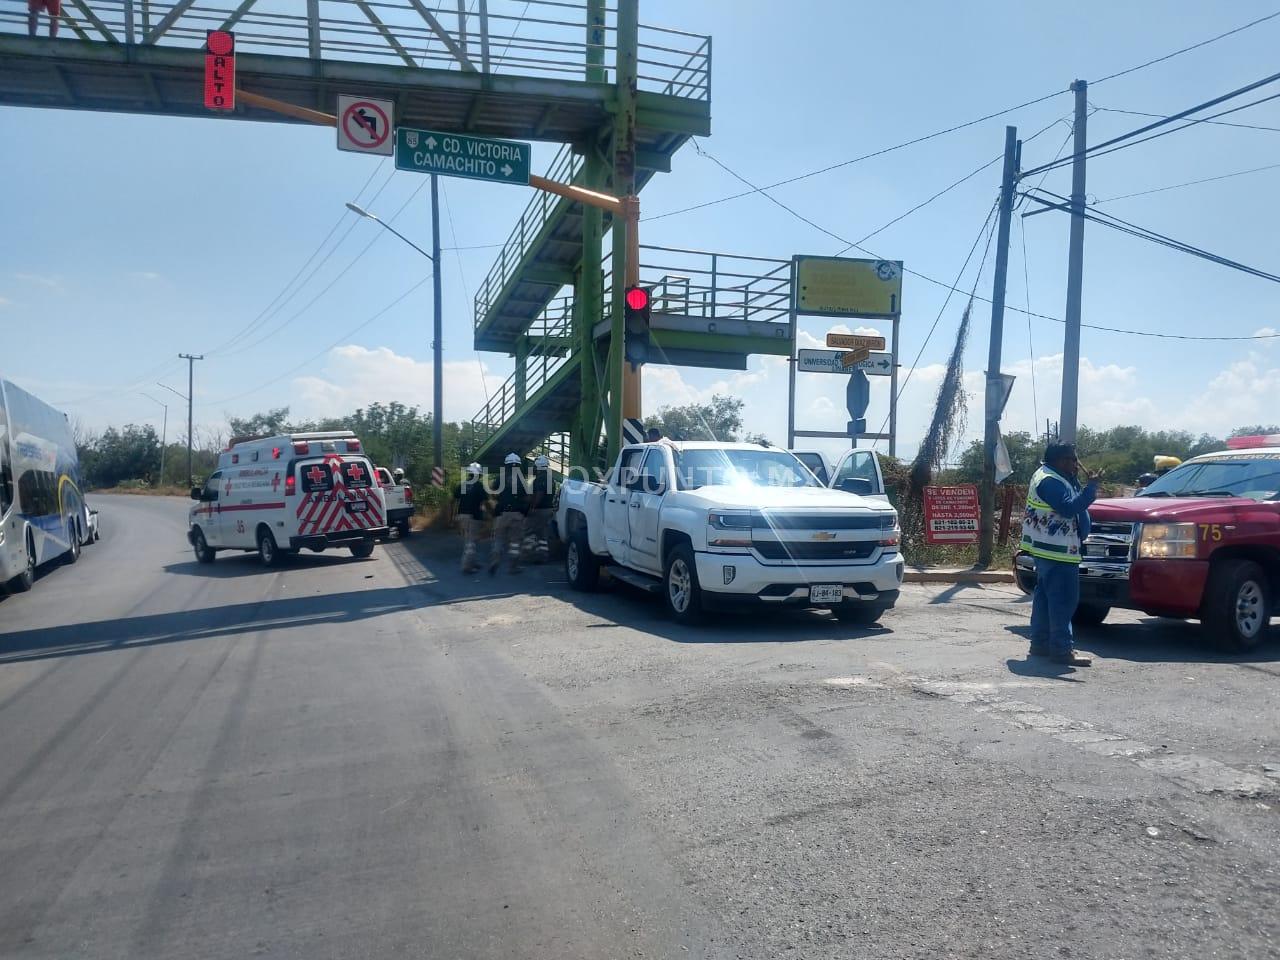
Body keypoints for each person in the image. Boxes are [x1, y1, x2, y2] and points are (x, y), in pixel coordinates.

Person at [1021, 442, 1103, 666]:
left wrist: (1077, 480)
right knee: (1063, 601)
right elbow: (1069, 507)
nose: (1076, 464)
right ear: (1059, 460)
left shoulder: (1054, 476)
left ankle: (1040, 644)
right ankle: (1061, 650)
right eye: (1071, 459)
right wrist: (1091, 488)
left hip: (1049, 547)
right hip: (1058, 550)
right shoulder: (1050, 481)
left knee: (1046, 599)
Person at [489, 453, 529, 575]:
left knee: (499, 539)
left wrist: (500, 499)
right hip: (517, 514)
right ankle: (513, 567)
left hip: (501, 513)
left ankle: (495, 560)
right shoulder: (522, 479)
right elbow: (527, 497)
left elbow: (492, 493)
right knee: (515, 542)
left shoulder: (499, 478)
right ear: (518, 465)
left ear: (506, 465)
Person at [454, 462, 487, 574]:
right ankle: (467, 567)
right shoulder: (478, 486)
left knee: (470, 540)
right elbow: (485, 501)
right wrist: (492, 514)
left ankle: (473, 562)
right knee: (471, 542)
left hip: (462, 515)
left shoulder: (463, 485)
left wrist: (452, 517)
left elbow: (454, 499)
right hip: (473, 516)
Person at [524, 455, 557, 563]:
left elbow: (539, 495)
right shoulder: (550, 478)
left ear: (538, 467)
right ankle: (542, 555)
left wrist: (532, 507)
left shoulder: (540, 479)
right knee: (542, 534)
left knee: (528, 531)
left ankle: (527, 555)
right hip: (548, 509)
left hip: (539, 510)